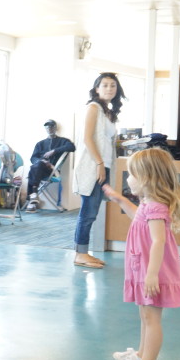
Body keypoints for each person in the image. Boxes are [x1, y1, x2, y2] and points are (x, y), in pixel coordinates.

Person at [102, 148, 180, 360]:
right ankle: (141, 355)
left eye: (131, 175)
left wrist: (152, 274)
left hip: (152, 268)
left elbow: (158, 241)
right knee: (145, 314)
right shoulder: (148, 203)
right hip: (143, 266)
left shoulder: (156, 206)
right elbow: (137, 216)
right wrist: (121, 199)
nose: (128, 179)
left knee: (151, 318)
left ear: (147, 177)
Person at [72, 72, 125, 268]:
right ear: (97, 89)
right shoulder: (93, 108)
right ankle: (80, 254)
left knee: (92, 212)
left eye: (113, 85)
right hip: (94, 166)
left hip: (105, 165)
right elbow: (87, 138)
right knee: (88, 212)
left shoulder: (107, 112)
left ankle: (84, 252)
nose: (109, 89)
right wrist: (99, 164)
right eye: (105, 85)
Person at [24, 119, 75, 212]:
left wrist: (54, 151)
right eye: (47, 127)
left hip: (52, 170)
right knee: (36, 165)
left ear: (55, 128)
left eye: (51, 127)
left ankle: (32, 199)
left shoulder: (63, 141)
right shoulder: (40, 144)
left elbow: (72, 147)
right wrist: (42, 161)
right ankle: (34, 196)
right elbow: (33, 158)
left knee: (33, 170)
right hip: (40, 170)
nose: (49, 129)